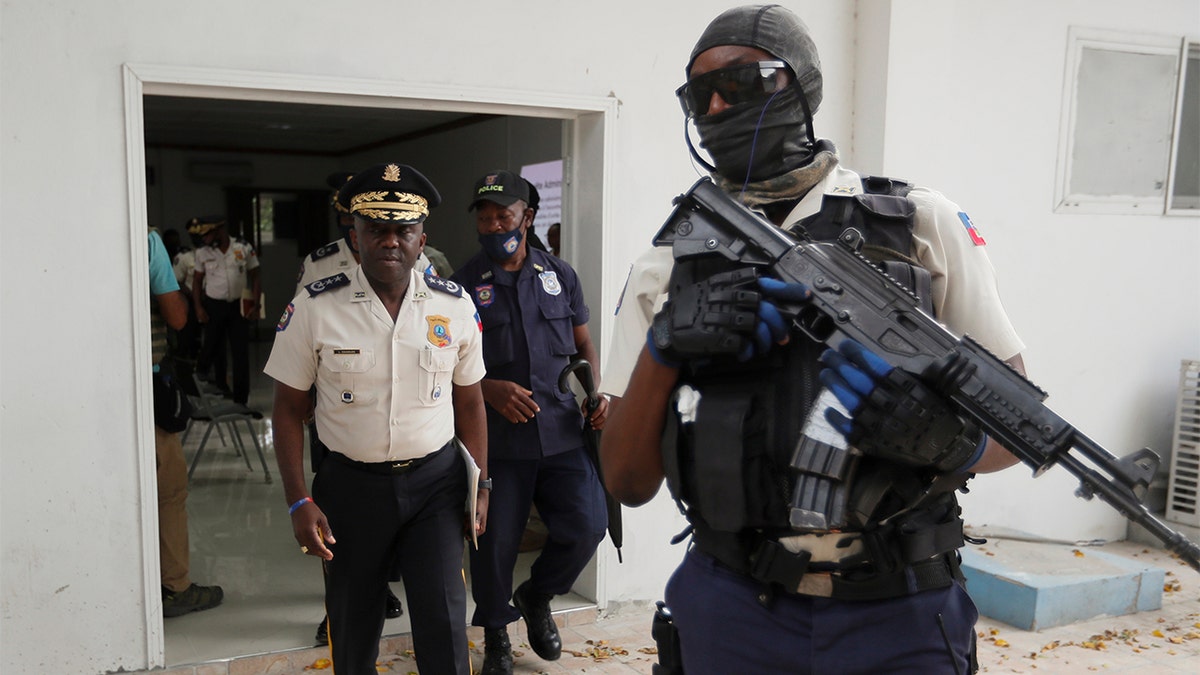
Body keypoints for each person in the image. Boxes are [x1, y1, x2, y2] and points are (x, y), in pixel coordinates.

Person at [599, 5, 1026, 674]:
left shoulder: (920, 223)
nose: (715, 106)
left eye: (740, 83)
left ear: (799, 87)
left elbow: (1019, 423)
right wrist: (664, 345)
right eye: (698, 94)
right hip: (733, 605)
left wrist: (952, 439)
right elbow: (625, 478)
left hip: (901, 610)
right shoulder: (671, 260)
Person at [266, 162, 489, 675]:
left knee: (444, 625)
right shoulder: (315, 309)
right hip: (350, 489)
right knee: (352, 622)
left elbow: (471, 401)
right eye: (376, 229)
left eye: (402, 230)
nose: (390, 241)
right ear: (356, 235)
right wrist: (299, 499)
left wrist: (483, 483)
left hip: (435, 486)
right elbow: (287, 410)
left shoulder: (453, 308)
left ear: (422, 239)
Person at [450, 170, 608, 675]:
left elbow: (583, 343)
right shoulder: (459, 286)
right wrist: (487, 390)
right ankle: (496, 634)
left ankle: (537, 595)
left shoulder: (559, 274)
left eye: (505, 216)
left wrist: (595, 390)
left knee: (588, 526)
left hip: (562, 430)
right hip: (497, 442)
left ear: (528, 218)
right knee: (493, 545)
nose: (495, 226)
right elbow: (445, 363)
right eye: (485, 217)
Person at [295, 172, 405, 646]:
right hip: (338, 415)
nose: (384, 232)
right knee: (338, 527)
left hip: (402, 417)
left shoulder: (426, 263)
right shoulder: (320, 266)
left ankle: (379, 588)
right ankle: (337, 611)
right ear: (347, 217)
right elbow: (300, 334)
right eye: (356, 214)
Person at [149, 227, 224, 617]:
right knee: (168, 490)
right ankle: (174, 586)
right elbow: (177, 317)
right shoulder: (144, 239)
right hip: (142, 384)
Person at [188, 216, 261, 405]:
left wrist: (255, 303)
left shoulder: (243, 248)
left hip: (238, 306)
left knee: (240, 353)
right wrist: (198, 307)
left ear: (219, 230)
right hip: (214, 306)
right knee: (212, 346)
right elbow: (196, 281)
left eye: (207, 234)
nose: (203, 239)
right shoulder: (202, 253)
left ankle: (240, 400)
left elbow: (255, 276)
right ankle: (205, 378)